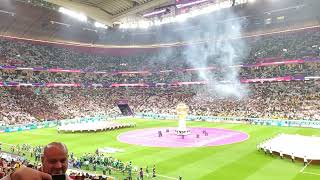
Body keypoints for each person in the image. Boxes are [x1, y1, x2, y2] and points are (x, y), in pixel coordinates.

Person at [1, 142, 72, 180]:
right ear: (42, 160)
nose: (58, 166)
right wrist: (13, 176)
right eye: (52, 161)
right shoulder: (27, 176)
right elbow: (15, 170)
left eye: (63, 161)